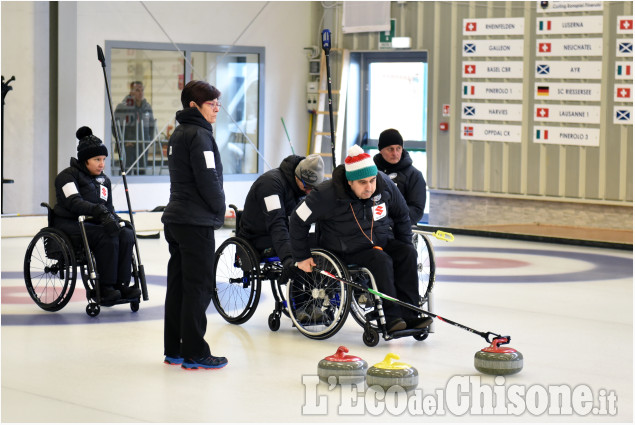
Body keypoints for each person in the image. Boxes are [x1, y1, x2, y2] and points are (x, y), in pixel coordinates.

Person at [289, 145, 432, 333]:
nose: (370, 187)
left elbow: (403, 215)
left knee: (407, 253)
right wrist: (302, 256)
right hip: (344, 248)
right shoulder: (325, 194)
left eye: (372, 181)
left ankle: (410, 315)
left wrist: (404, 244)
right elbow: (297, 219)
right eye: (363, 183)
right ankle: (392, 319)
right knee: (381, 260)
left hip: (380, 240)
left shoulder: (384, 184)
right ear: (350, 182)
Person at [161, 80, 228, 370]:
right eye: (211, 104)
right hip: (194, 223)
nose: (217, 109)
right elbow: (208, 178)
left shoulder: (179, 133)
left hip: (176, 220)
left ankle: (175, 348)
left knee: (178, 286)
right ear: (194, 106)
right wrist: (221, 208)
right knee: (198, 288)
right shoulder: (200, 136)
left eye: (217, 103)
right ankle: (195, 352)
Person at [54, 126, 141, 302]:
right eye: (97, 159)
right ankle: (105, 287)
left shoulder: (104, 181)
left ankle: (121, 284)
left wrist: (116, 219)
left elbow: (108, 207)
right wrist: (98, 211)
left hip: (95, 223)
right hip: (71, 224)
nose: (102, 164)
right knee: (106, 236)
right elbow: (74, 202)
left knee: (126, 233)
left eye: (103, 159)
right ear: (85, 160)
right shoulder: (67, 177)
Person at [237, 153, 324, 278]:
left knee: (319, 240)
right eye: (307, 186)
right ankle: (299, 293)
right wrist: (288, 259)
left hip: (283, 233)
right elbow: (276, 223)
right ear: (297, 176)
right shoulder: (270, 185)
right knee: (303, 246)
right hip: (257, 236)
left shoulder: (300, 189)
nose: (309, 192)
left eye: (313, 188)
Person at [373, 128, 427, 226]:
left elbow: (416, 210)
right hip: (372, 228)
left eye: (398, 148)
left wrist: (391, 223)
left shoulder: (414, 175)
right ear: (381, 150)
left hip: (399, 230)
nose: (395, 153)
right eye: (390, 149)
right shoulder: (371, 172)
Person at [114, 81, 155, 174]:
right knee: (126, 172)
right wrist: (123, 141)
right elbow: (115, 127)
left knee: (141, 172)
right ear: (131, 92)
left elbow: (152, 126)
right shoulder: (122, 107)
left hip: (143, 145)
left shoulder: (147, 107)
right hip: (128, 145)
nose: (140, 93)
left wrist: (149, 141)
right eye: (137, 90)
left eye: (142, 90)